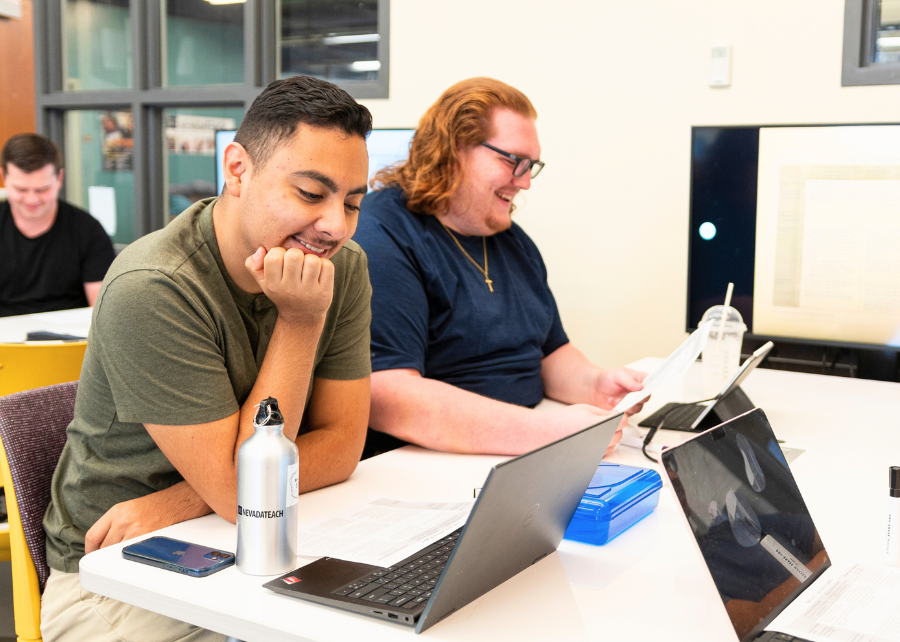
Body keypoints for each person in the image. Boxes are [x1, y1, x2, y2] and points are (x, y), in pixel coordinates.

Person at [41, 76, 374, 641]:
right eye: (312, 194)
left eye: (352, 203)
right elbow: (244, 495)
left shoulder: (342, 267)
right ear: (237, 169)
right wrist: (300, 321)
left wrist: (183, 500)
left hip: (237, 537)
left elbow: (342, 446)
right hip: (116, 575)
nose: (335, 226)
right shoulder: (156, 286)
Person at [354, 77, 647, 459]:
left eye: (532, 166)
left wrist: (598, 384)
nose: (524, 182)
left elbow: (549, 353)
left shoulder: (511, 240)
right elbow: (389, 395)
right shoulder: (382, 234)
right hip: (422, 460)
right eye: (513, 161)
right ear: (454, 149)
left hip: (516, 446)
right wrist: (551, 434)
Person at [0, 133, 116, 316]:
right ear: (4, 177)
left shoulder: (87, 230)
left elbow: (102, 313)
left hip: (69, 340)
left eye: (42, 189)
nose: (32, 199)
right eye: (21, 189)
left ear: (59, 179)